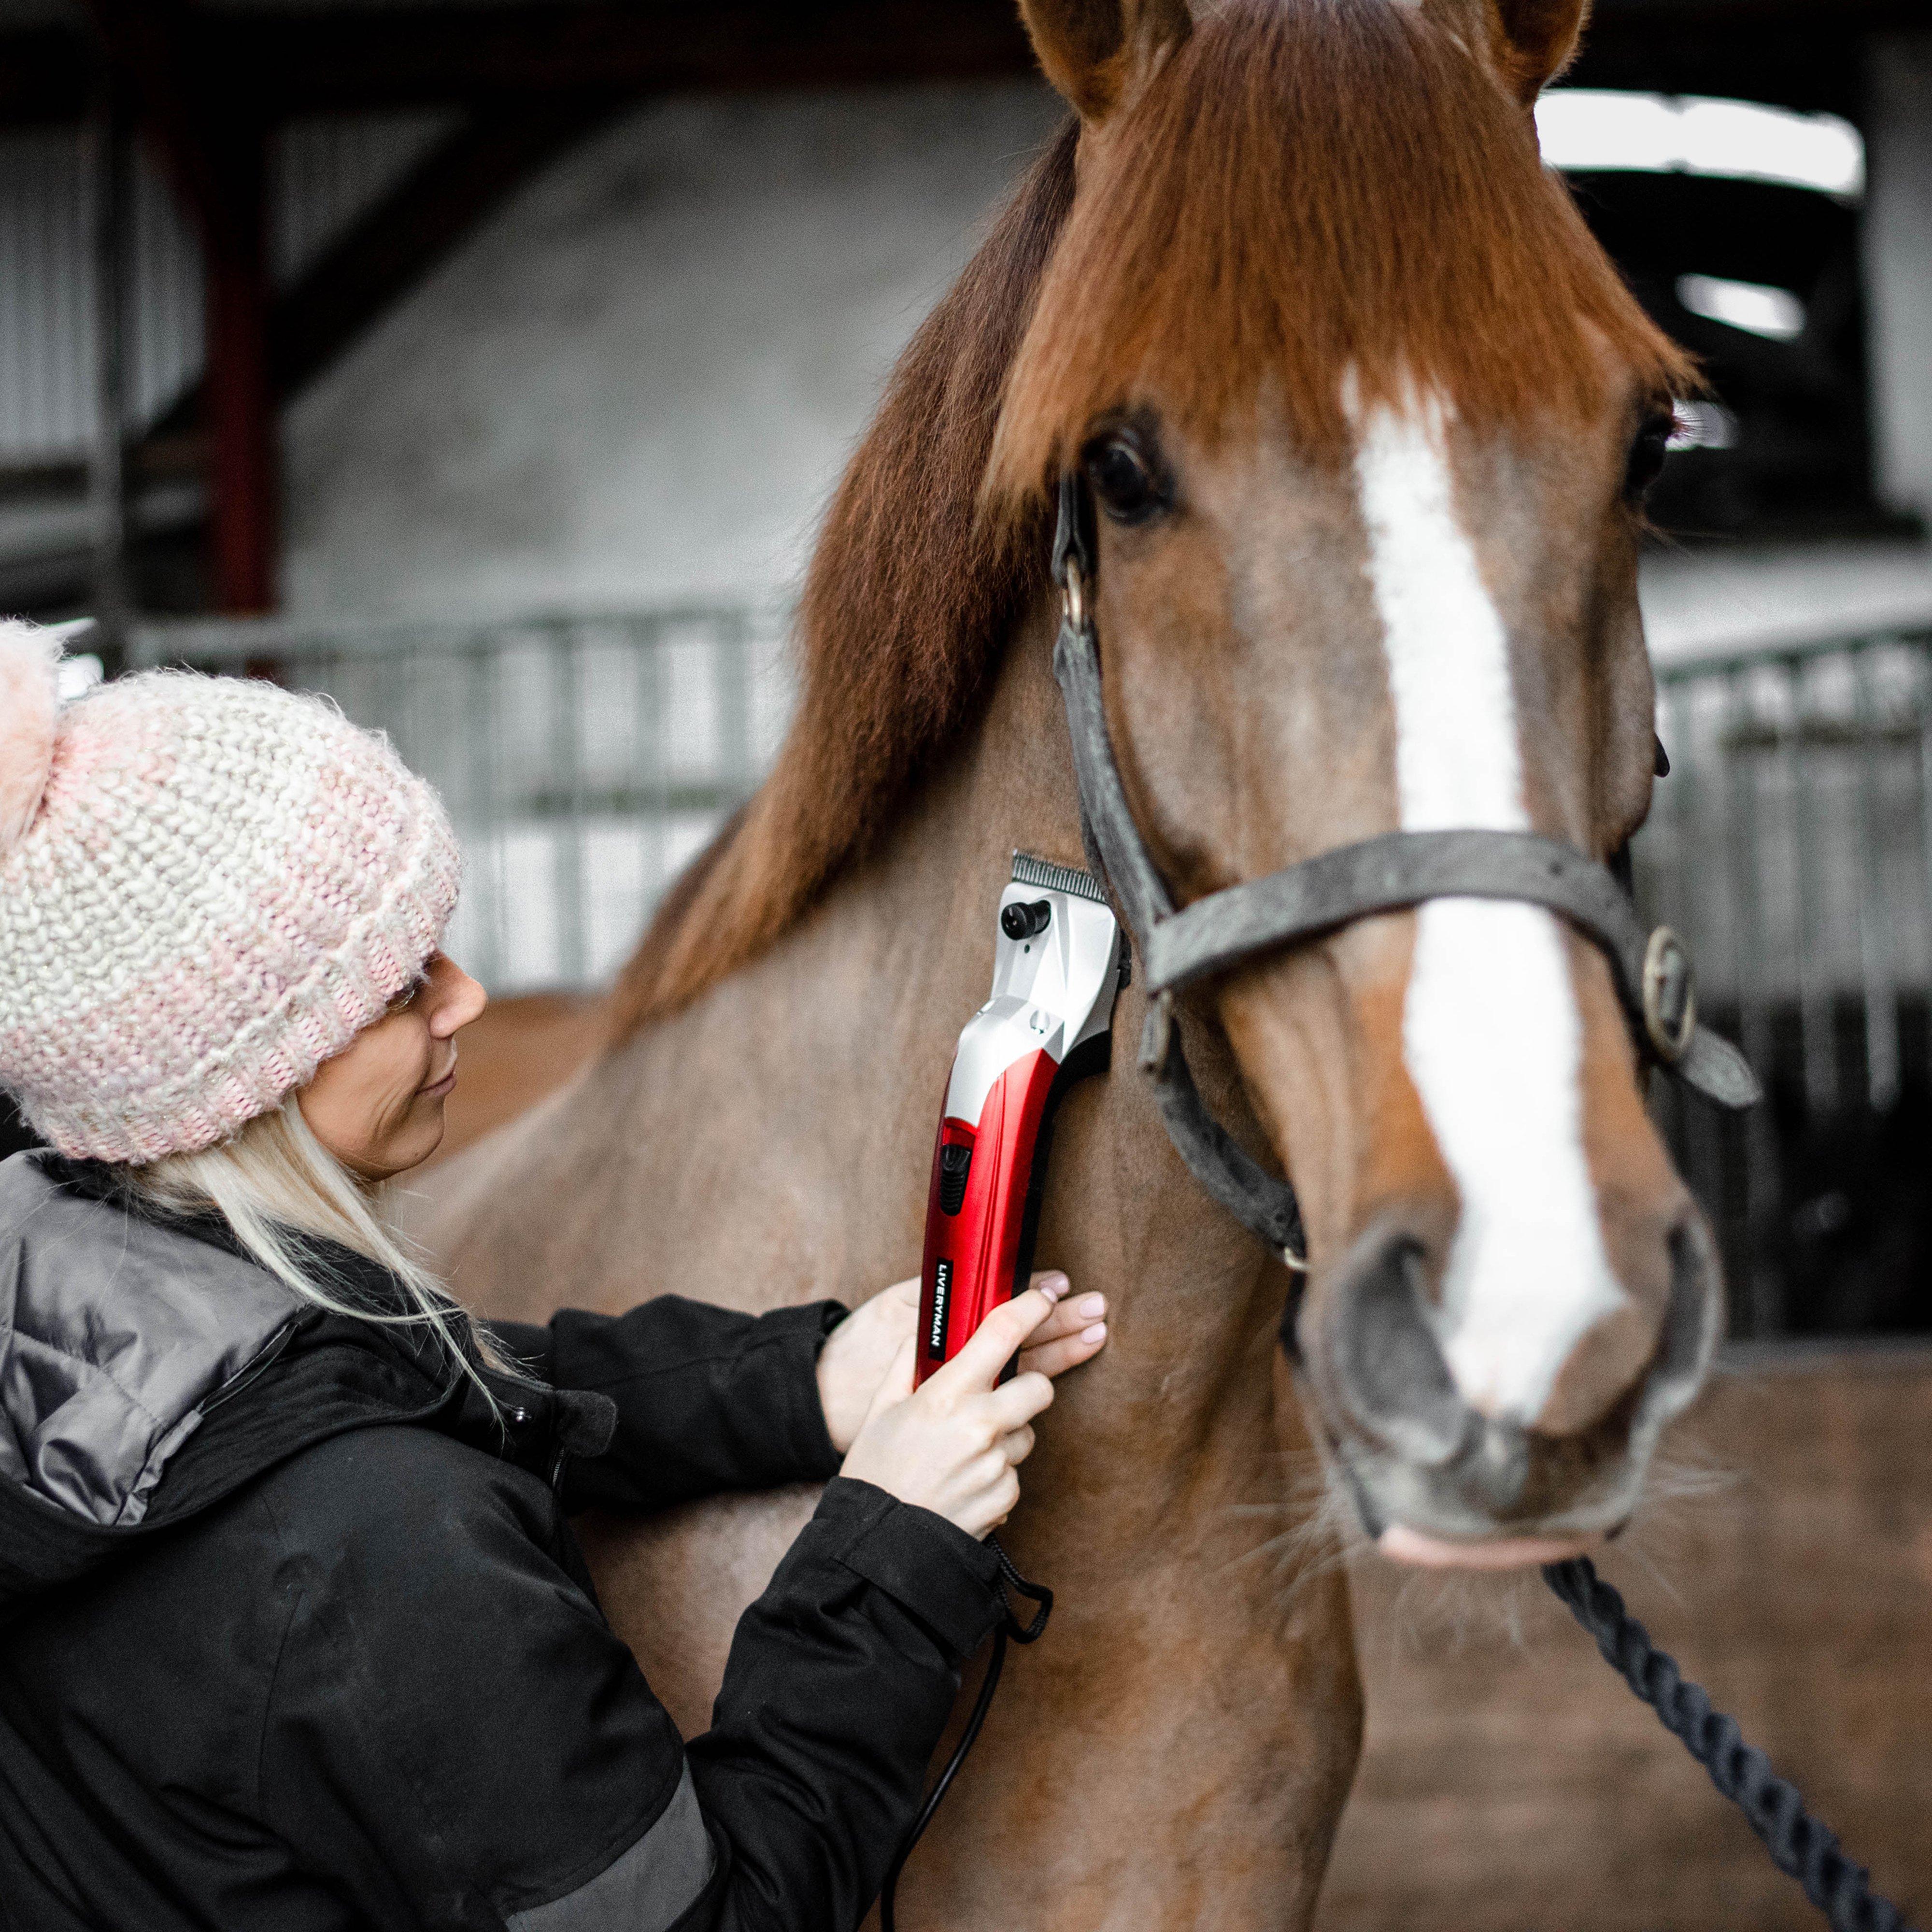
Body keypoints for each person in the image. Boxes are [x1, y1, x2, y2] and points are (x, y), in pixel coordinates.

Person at [0, 621, 1110, 1932]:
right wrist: (894, 1540)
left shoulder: (63, 1259)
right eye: (402, 985)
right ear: (247, 1073)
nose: (468, 998)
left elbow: (388, 1389)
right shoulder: (384, 1547)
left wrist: (799, 1383)